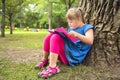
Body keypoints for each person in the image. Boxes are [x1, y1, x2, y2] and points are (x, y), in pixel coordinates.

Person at [35, 8, 94, 78]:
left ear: (79, 19)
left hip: (74, 57)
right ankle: (45, 59)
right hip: (67, 53)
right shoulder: (71, 29)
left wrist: (77, 35)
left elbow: (90, 41)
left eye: (71, 22)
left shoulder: (87, 27)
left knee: (55, 37)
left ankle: (53, 68)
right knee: (49, 36)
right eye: (68, 22)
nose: (70, 24)